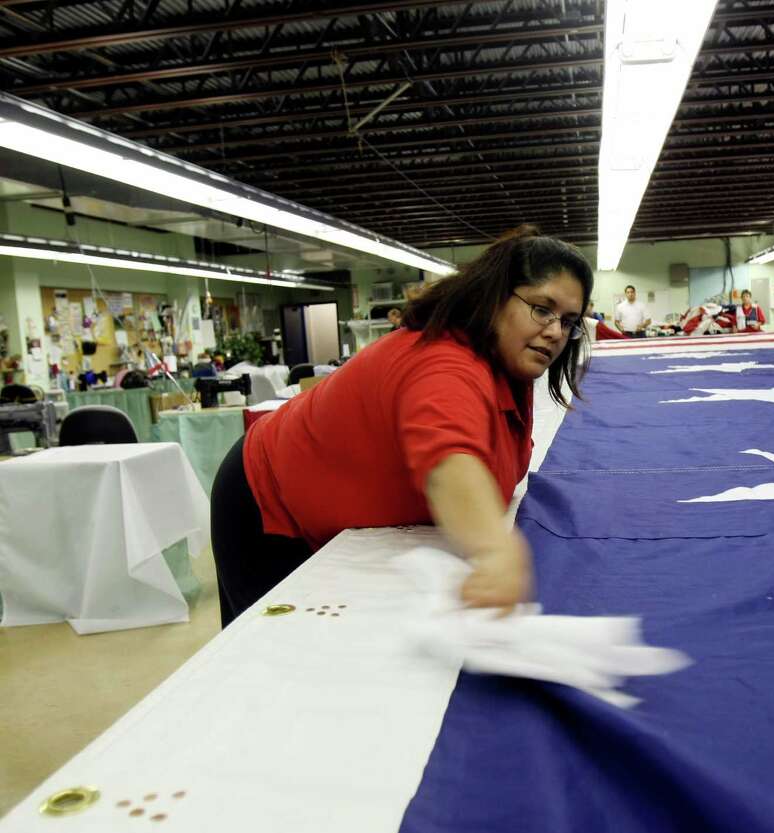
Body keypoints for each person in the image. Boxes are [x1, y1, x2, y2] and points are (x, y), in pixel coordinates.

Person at [210, 225, 592, 627]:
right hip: (264, 506)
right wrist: (494, 551)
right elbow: (450, 461)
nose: (554, 332)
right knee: (276, 660)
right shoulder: (445, 364)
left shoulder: (509, 369)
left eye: (567, 322)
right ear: (496, 297)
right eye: (542, 309)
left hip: (319, 495)